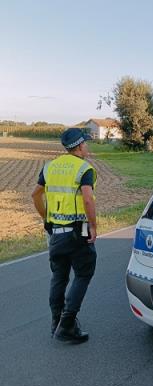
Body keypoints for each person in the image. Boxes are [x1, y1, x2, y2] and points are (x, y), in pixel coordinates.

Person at [32, 128, 97, 344]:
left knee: (59, 277)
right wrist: (94, 227)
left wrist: (46, 217)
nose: (87, 147)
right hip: (78, 232)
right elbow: (88, 199)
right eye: (86, 143)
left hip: (55, 234)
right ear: (79, 146)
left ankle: (55, 322)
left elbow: (36, 194)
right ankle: (67, 324)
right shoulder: (84, 169)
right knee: (83, 274)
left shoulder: (50, 167)